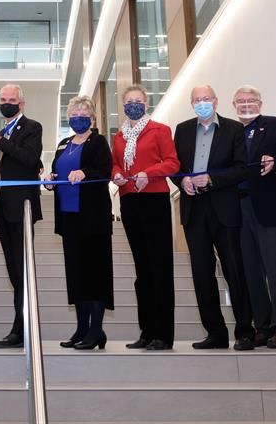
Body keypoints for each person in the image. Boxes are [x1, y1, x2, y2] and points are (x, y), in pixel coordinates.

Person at [172, 85, 255, 351]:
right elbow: (174, 168)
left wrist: (212, 178)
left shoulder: (233, 129)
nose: (202, 103)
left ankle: (245, 332)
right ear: (192, 103)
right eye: (197, 100)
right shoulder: (182, 130)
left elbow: (243, 169)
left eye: (206, 99)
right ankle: (215, 333)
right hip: (194, 209)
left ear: (216, 102)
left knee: (234, 270)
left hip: (224, 208)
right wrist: (181, 180)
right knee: (202, 274)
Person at [111, 84, 180, 351]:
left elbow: (172, 162)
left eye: (138, 101)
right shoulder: (119, 136)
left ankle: (163, 334)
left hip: (154, 199)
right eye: (129, 101)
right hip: (129, 200)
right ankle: (147, 330)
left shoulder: (160, 130)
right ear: (123, 105)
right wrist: (116, 174)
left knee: (160, 268)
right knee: (142, 270)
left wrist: (148, 173)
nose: (133, 105)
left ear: (146, 103)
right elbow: (116, 163)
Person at [233, 86, 276, 348]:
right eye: (241, 101)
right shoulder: (230, 132)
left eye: (251, 100)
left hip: (272, 207)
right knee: (251, 272)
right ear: (233, 104)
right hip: (240, 210)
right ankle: (262, 326)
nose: (246, 104)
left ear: (260, 103)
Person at [46, 96, 113, 350]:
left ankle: (96, 331)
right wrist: (50, 179)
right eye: (74, 111)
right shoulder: (64, 144)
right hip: (68, 218)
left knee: (94, 274)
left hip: (93, 219)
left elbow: (104, 170)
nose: (78, 115)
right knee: (75, 275)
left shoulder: (98, 142)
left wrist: (85, 173)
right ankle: (81, 329)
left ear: (92, 116)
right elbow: (57, 170)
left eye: (83, 111)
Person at [0, 83, 44, 349]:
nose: (6, 103)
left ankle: (21, 329)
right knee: (13, 270)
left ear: (21, 103)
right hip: (2, 207)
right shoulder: (3, 131)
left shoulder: (32, 127)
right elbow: (0, 168)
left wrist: (2, 142)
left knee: (22, 270)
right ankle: (20, 327)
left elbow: (30, 160)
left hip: (22, 207)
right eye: (2, 99)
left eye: (11, 99)